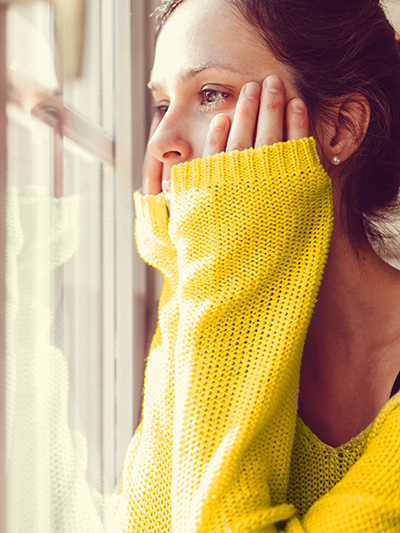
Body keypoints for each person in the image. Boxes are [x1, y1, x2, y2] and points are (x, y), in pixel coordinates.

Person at [113, 0, 400, 531]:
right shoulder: (205, 311)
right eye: (160, 105)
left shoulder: (224, 306)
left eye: (211, 95)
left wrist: (224, 275)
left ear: (339, 129)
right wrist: (190, 279)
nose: (161, 142)